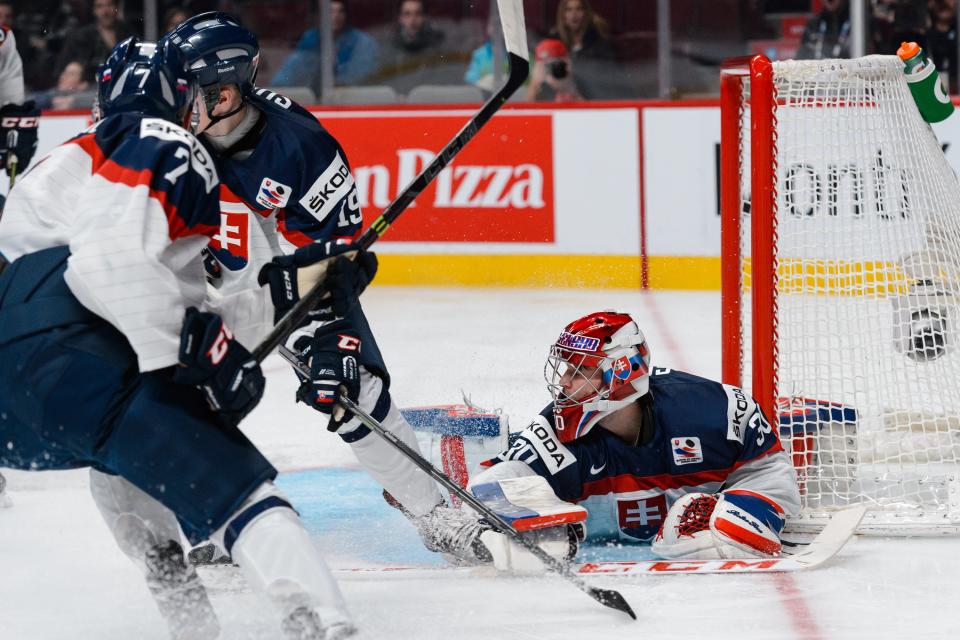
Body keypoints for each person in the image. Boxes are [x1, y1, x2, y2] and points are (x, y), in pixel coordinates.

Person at [0, 37, 353, 640]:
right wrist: (197, 360)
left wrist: (294, 291)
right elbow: (108, 269)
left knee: (124, 468)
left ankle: (191, 626)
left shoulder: (61, 166)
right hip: (79, 349)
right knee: (240, 493)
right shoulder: (159, 141)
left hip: (20, 407)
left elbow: (173, 300)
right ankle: (326, 624)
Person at [164, 12, 473, 567]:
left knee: (353, 391)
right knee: (174, 395)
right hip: (176, 278)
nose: (177, 103)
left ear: (228, 91)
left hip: (263, 282)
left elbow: (332, 264)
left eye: (191, 92)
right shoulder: (157, 127)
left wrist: (335, 337)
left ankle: (434, 513)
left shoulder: (302, 151)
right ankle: (205, 521)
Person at [309, 309, 802, 567]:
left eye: (581, 372)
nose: (564, 384)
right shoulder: (557, 432)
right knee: (472, 506)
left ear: (623, 374)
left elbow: (770, 471)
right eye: (566, 369)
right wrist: (468, 527)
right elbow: (501, 480)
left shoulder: (716, 411)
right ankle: (447, 466)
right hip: (564, 507)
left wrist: (745, 511)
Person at [271, 0, 379, 93]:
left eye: (340, 11)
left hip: (350, 102)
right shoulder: (310, 39)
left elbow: (361, 79)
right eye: (330, 11)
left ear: (346, 15)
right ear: (319, 15)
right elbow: (286, 77)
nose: (336, 16)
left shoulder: (362, 42)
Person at [549, 0, 617, 99]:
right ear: (562, 15)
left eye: (579, 9)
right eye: (568, 10)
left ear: (586, 13)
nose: (574, 15)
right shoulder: (554, 41)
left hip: (593, 101)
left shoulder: (599, 41)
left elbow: (608, 77)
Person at [55, 0, 135, 83]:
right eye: (100, 6)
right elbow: (63, 71)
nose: (105, 11)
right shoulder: (81, 37)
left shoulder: (128, 35)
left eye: (109, 5)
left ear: (116, 8)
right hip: (88, 89)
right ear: (94, 10)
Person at [526, 38, 580, 102]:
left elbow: (590, 105)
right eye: (546, 65)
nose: (550, 69)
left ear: (566, 60)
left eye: (554, 64)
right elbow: (528, 108)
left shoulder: (578, 79)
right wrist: (534, 83)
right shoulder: (542, 87)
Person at [29, 60, 94, 110]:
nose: (63, 76)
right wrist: (50, 101)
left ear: (83, 84)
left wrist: (73, 101)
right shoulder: (52, 95)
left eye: (71, 74)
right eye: (64, 72)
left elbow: (100, 100)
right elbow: (27, 101)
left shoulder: (90, 96)